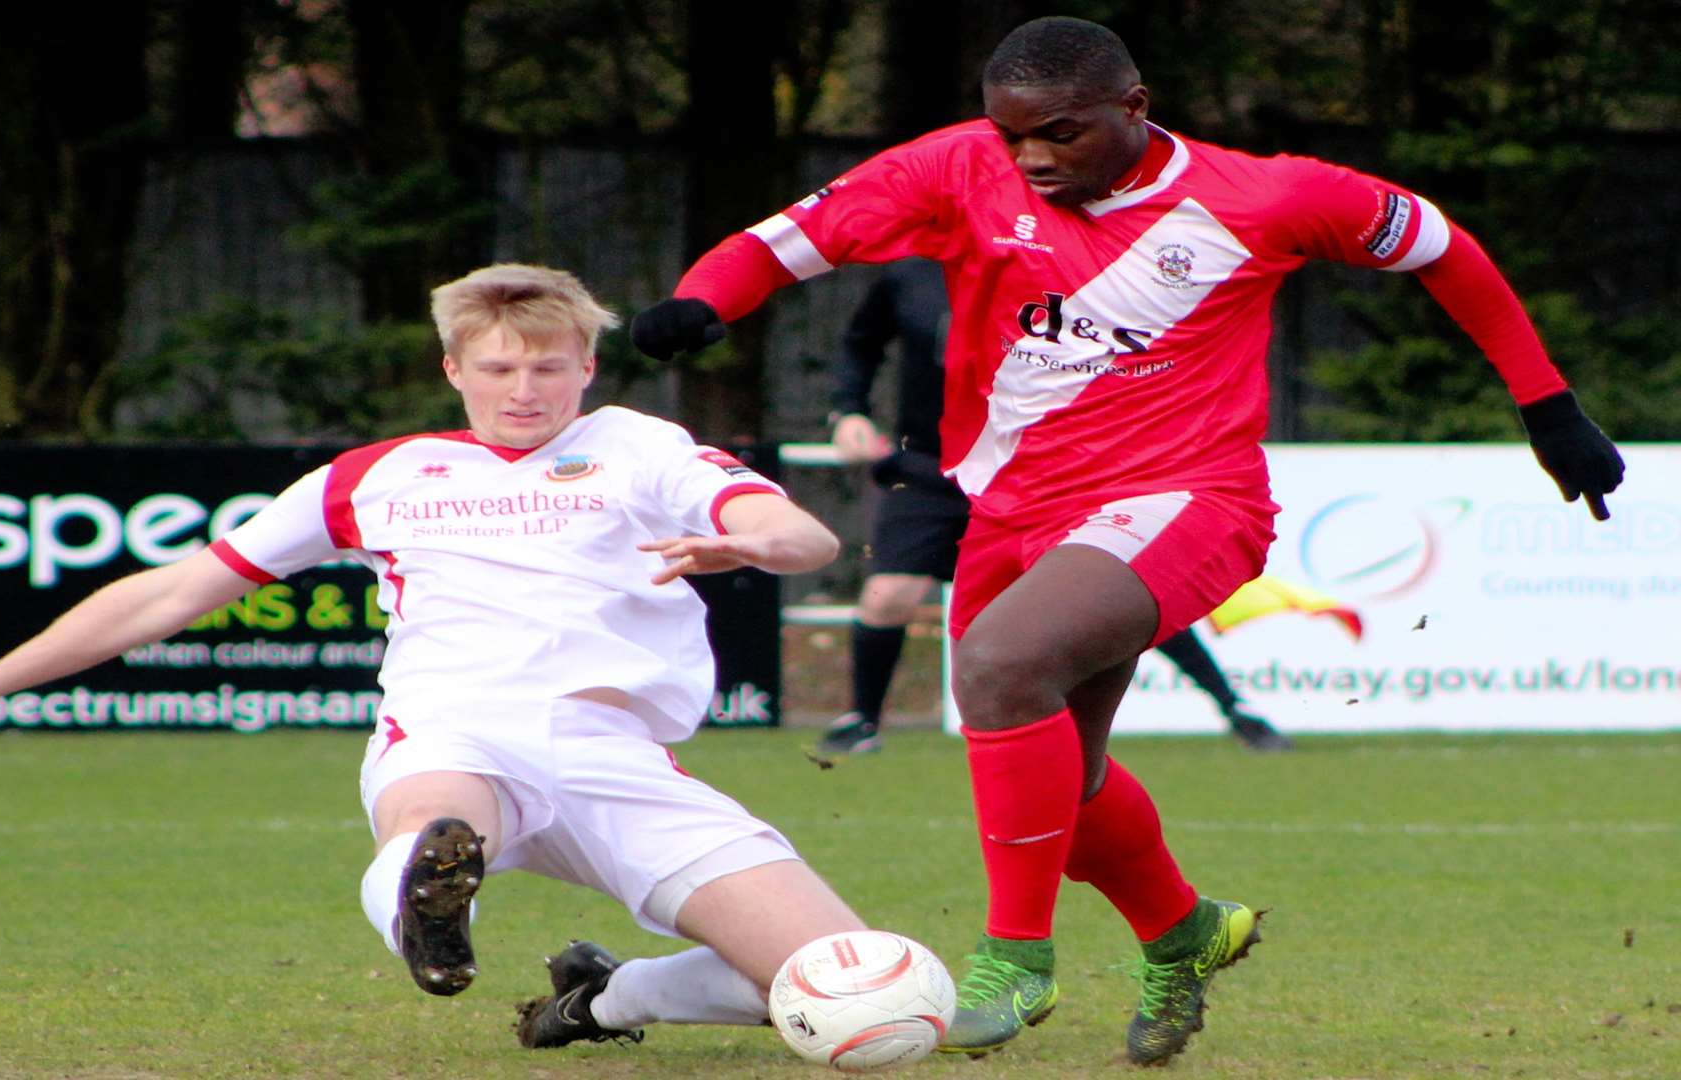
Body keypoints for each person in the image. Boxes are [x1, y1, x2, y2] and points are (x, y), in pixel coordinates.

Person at [631, 17, 1624, 1066]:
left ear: (1134, 107)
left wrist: (1548, 408)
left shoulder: (1269, 196)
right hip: (1009, 511)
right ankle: (1186, 930)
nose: (1030, 158)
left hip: (1189, 497)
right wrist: (704, 299)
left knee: (1003, 666)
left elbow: (1442, 245)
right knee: (1064, 781)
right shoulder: (956, 167)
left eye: (1058, 133)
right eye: (1011, 136)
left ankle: (1014, 963)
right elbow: (791, 240)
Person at [0, 263, 874, 1054]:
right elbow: (179, 590)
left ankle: (605, 998)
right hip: (459, 729)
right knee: (439, 820)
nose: (524, 389)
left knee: (840, 980)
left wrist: (757, 542)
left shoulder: (637, 447)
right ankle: (427, 889)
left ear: (586, 367)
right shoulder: (376, 477)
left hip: (615, 756)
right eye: (498, 367)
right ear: (453, 367)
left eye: (550, 367)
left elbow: (798, 534)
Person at [817, 257, 1290, 756]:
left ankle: (1233, 706)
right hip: (935, 467)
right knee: (888, 595)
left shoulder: (1059, 264)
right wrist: (848, 410)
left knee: (1110, 589)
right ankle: (862, 721)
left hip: (1050, 469)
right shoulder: (912, 274)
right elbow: (860, 342)